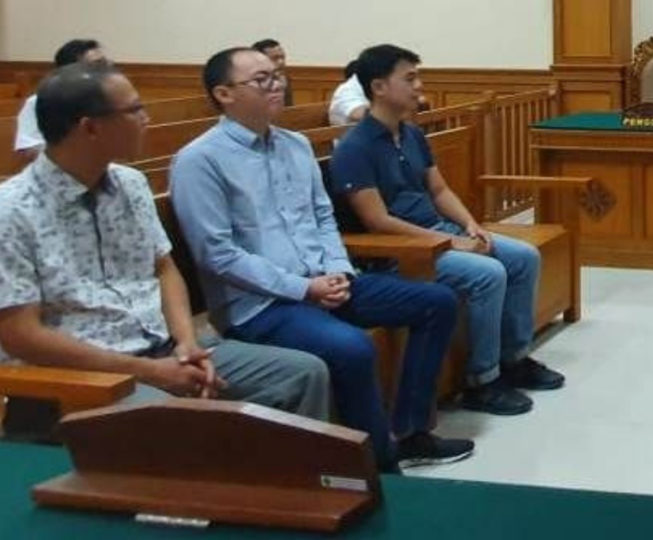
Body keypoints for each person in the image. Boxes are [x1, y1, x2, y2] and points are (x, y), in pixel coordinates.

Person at [0, 62, 331, 443]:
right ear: (90, 127)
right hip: (76, 382)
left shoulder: (130, 184)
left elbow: (163, 267)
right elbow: (22, 338)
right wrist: (147, 371)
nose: (147, 118)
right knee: (177, 417)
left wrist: (187, 342)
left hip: (160, 350)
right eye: (134, 110)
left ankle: (276, 495)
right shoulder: (3, 213)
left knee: (302, 374)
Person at [169, 47, 473, 470]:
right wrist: (303, 287)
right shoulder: (200, 160)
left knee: (437, 302)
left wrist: (337, 269)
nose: (277, 85)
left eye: (277, 76)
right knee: (350, 348)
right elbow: (217, 254)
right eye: (262, 80)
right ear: (224, 93)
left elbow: (322, 216)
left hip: (325, 280)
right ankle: (378, 466)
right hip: (262, 305)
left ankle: (410, 432)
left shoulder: (294, 145)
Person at [331, 44, 565, 417]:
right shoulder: (355, 148)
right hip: (400, 252)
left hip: (439, 233)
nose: (419, 86)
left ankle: (514, 358)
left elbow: (438, 190)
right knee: (488, 274)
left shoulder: (410, 135)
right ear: (378, 87)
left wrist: (470, 224)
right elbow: (379, 222)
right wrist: (450, 242)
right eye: (409, 78)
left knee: (523, 257)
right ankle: (482, 381)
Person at [14, 39, 109, 161]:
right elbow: (28, 149)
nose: (107, 71)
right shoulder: (40, 102)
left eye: (106, 65)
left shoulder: (112, 99)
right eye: (98, 65)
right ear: (70, 71)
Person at [251, 38, 294, 106]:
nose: (281, 62)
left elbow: (289, 110)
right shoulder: (250, 83)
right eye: (275, 58)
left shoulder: (284, 79)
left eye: (282, 57)